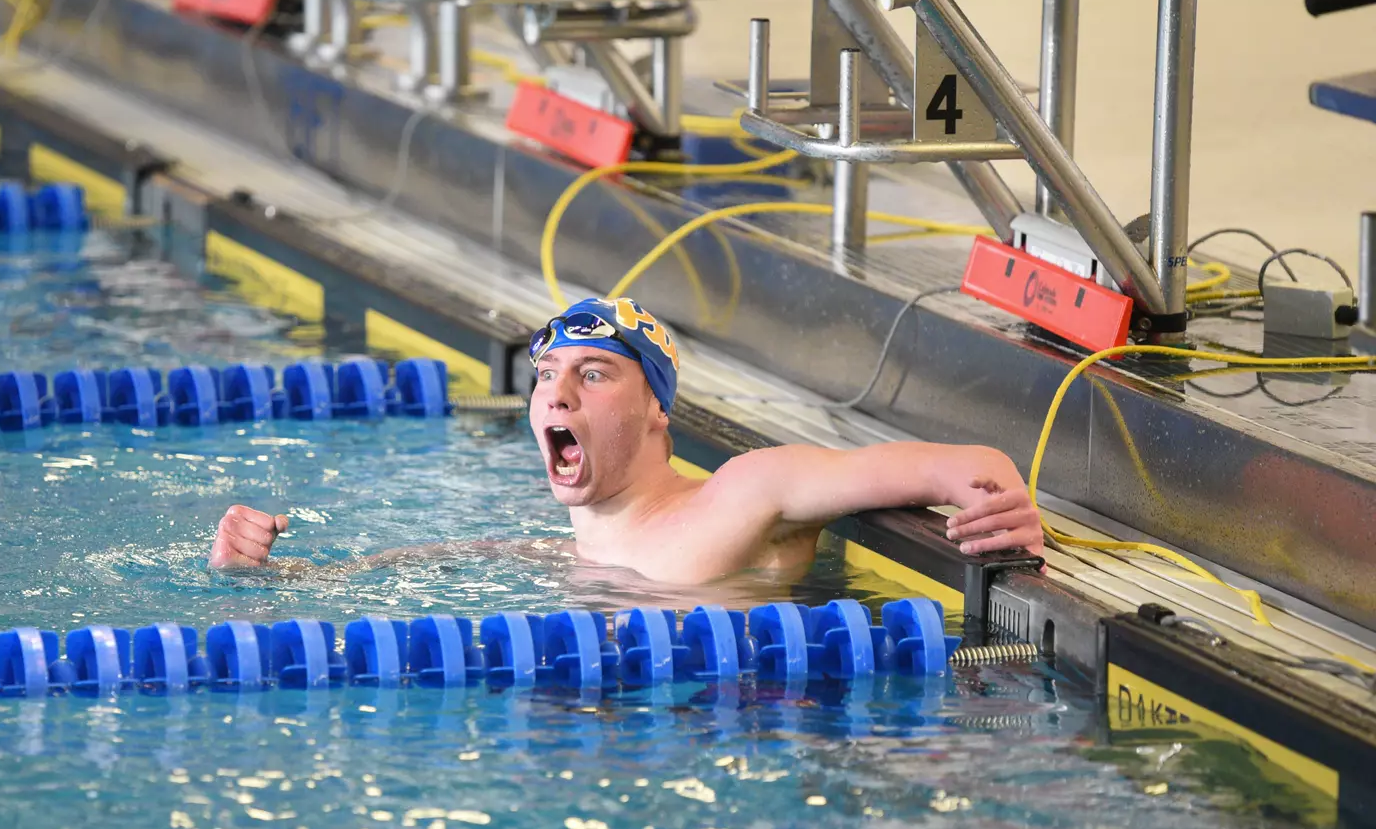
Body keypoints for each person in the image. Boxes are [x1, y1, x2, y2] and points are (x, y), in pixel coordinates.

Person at [208, 297, 1044, 585]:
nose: (557, 393)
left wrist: (1003, 507)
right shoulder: (554, 553)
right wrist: (256, 572)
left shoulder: (747, 491)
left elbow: (969, 465)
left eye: (595, 375)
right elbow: (366, 580)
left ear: (656, 412)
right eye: (546, 377)